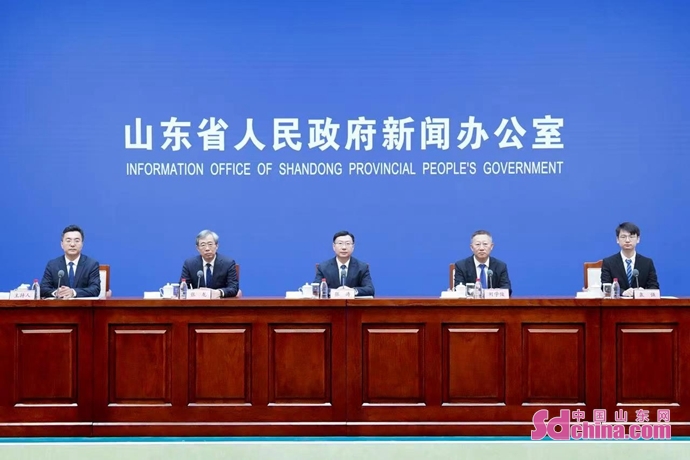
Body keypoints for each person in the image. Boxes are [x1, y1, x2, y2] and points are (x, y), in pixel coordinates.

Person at [40, 225, 101, 299]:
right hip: (59, 305)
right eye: (68, 241)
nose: (72, 244)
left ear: (82, 244)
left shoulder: (91, 264)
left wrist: (73, 292)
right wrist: (57, 293)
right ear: (62, 244)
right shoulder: (52, 265)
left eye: (77, 241)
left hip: (83, 306)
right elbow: (43, 288)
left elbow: (95, 289)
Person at [601, 222, 659, 296]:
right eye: (623, 237)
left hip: (640, 302)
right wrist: (622, 292)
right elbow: (605, 287)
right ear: (617, 239)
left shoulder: (647, 263)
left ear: (638, 239)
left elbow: (654, 287)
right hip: (618, 302)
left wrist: (643, 292)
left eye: (631, 237)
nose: (627, 240)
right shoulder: (608, 262)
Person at [180, 229, 239, 298]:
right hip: (197, 303)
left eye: (210, 244)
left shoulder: (228, 263)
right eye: (203, 245)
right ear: (197, 248)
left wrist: (218, 292)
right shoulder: (189, 264)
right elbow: (182, 288)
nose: (207, 248)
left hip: (220, 302)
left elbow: (233, 288)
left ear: (216, 246)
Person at [314, 230, 374, 297]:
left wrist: (352, 291)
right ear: (334, 246)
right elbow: (316, 289)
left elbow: (370, 289)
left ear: (353, 247)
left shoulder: (362, 267)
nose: (344, 247)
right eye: (340, 243)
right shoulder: (323, 267)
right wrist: (336, 292)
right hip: (331, 303)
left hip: (353, 303)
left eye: (348, 243)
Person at [453, 229, 512, 295]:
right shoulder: (461, 266)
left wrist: (493, 293)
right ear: (472, 247)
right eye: (477, 244)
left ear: (491, 246)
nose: (481, 248)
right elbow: (459, 289)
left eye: (485, 244)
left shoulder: (500, 266)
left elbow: (507, 289)